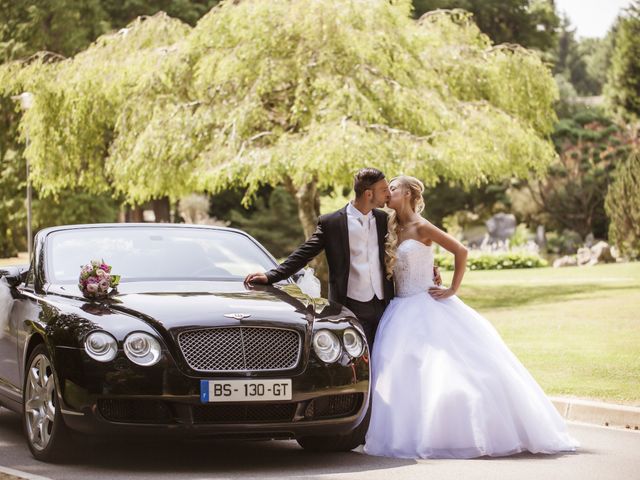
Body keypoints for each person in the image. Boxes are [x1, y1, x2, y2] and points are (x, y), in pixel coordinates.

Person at [364, 175, 579, 459]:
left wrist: (453, 288)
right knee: (404, 372)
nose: (387, 192)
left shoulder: (422, 226)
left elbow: (460, 250)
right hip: (400, 308)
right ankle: (411, 432)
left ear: (408, 193)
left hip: (426, 303)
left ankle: (464, 432)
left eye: (392, 188)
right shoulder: (390, 226)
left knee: (446, 369)